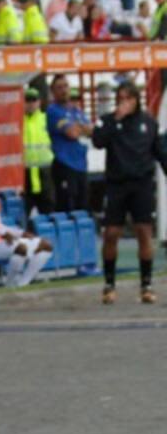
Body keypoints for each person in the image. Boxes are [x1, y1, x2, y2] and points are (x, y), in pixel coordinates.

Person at [90, 81, 167, 305]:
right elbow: (98, 141)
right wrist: (115, 120)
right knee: (111, 233)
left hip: (141, 185)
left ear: (136, 100)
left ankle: (146, 283)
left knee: (144, 232)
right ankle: (109, 283)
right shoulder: (108, 121)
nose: (123, 103)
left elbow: (160, 152)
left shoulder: (148, 124)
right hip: (116, 185)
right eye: (120, 99)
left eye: (128, 99)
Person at [0, 164, 54, 286]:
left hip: (2, 242)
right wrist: (3, 233)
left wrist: (21, 233)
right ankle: (10, 284)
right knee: (21, 248)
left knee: (46, 245)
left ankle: (23, 283)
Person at [47, 74, 92, 213]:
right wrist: (81, 128)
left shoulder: (76, 110)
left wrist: (79, 127)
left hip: (81, 165)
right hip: (65, 165)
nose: (64, 90)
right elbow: (71, 133)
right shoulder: (53, 111)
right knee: (67, 207)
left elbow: (92, 130)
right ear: (53, 92)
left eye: (65, 86)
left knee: (83, 207)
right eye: (59, 88)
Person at [23, 87, 55, 218]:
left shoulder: (45, 119)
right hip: (25, 172)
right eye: (27, 100)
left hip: (45, 171)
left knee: (48, 208)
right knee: (24, 210)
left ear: (39, 102)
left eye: (33, 100)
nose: (30, 103)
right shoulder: (19, 121)